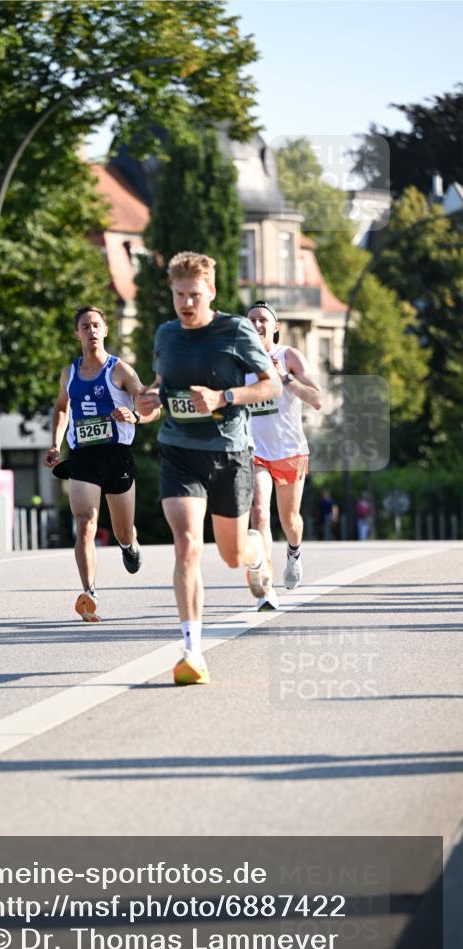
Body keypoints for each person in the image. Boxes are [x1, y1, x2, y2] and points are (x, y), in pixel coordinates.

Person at [135, 252, 282, 686]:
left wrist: (224, 398)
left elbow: (270, 383)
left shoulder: (234, 330)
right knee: (186, 545)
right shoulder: (166, 335)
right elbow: (161, 390)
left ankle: (258, 557)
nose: (186, 303)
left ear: (211, 292)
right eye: (179, 295)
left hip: (229, 453)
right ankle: (192, 651)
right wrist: (147, 403)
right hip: (180, 451)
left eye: (194, 295)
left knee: (232, 554)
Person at [43, 305, 157, 623]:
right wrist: (55, 442)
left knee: (122, 531)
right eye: (84, 326)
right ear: (76, 333)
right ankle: (89, 593)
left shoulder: (120, 370)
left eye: (96, 325)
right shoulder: (70, 372)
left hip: (116, 454)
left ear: (105, 330)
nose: (91, 330)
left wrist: (135, 415)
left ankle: (129, 544)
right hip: (83, 457)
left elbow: (150, 406)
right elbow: (61, 408)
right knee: (85, 523)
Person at [245, 300, 322, 608]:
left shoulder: (288, 356)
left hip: (290, 450)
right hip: (255, 450)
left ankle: (294, 551)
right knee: (260, 512)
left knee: (289, 520)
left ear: (275, 327)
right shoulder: (239, 363)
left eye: (263, 319)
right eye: (250, 319)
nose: (256, 324)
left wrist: (285, 377)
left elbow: (317, 399)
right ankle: (265, 583)